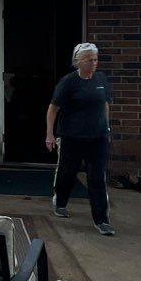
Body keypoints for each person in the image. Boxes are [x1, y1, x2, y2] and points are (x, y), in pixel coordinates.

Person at [45, 43, 115, 235]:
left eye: (95, 59)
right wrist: (50, 134)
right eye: (89, 60)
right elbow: (53, 108)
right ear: (78, 62)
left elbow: (105, 104)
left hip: (98, 137)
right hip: (72, 136)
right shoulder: (68, 82)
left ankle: (102, 220)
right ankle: (60, 202)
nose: (94, 63)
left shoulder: (101, 79)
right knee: (67, 172)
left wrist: (106, 128)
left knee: (97, 177)